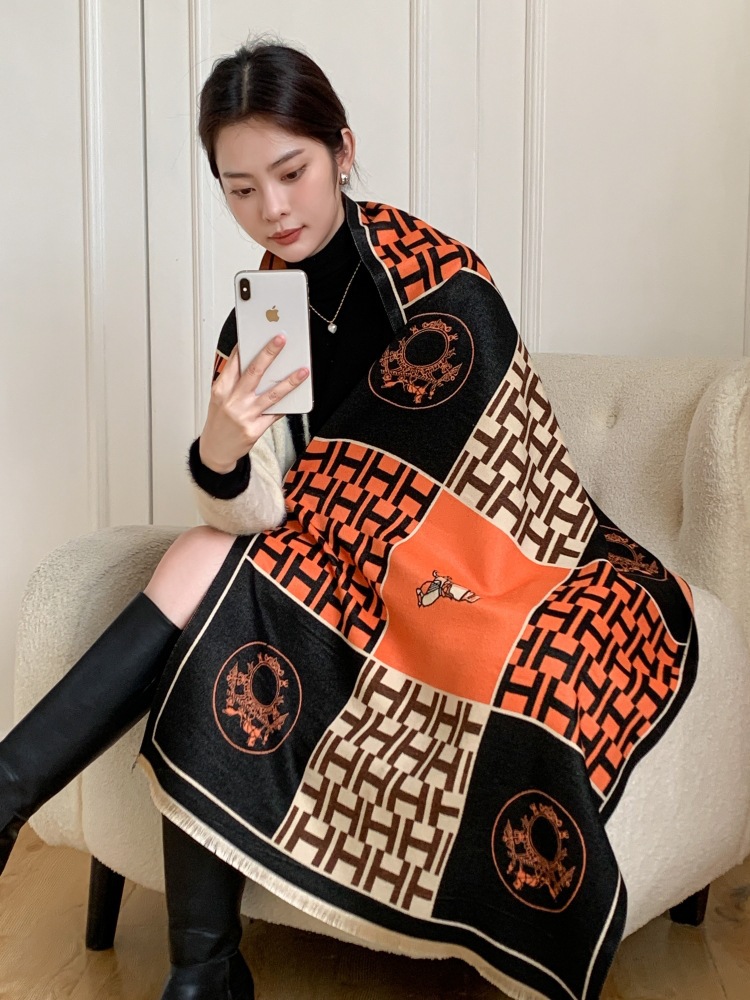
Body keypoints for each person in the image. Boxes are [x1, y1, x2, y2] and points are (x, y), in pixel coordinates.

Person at [2, 39, 699, 1000]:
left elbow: (492, 461)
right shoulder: (258, 323)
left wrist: (335, 516)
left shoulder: (439, 282)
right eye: (241, 189)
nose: (273, 209)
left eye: (291, 172)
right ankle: (188, 960)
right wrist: (221, 446)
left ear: (342, 150)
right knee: (219, 569)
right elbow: (262, 511)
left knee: (219, 576)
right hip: (329, 572)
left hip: (490, 568)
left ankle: (178, 946)